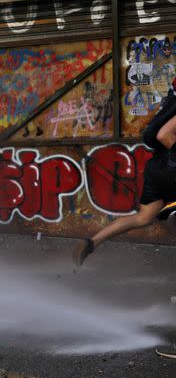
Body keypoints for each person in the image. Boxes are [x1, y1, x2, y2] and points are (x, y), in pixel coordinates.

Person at [73, 78, 176, 265]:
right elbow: (164, 135)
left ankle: (92, 242)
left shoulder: (170, 104)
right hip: (170, 169)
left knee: (143, 217)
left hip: (157, 169)